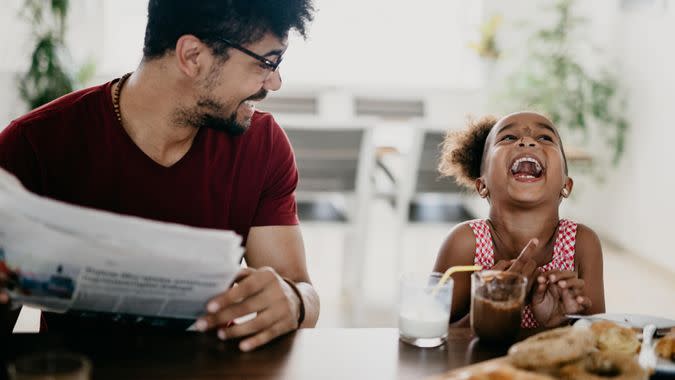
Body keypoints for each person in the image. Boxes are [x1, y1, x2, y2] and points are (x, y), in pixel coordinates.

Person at [0, 0, 318, 351]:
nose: (274, 82)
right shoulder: (33, 145)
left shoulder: (263, 145)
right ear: (193, 56)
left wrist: (295, 300)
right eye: (266, 63)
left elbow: (301, 289)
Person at [433, 111, 605, 328]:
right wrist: (490, 309)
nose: (527, 141)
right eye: (508, 137)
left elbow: (599, 340)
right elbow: (430, 339)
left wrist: (557, 325)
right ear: (482, 185)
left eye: (545, 138)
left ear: (566, 185)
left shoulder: (583, 243)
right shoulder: (464, 243)